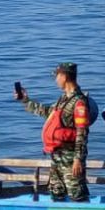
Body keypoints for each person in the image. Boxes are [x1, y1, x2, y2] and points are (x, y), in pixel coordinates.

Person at [18, 62, 90, 202]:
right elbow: (47, 112)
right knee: (56, 193)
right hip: (57, 157)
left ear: (64, 76)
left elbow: (82, 132)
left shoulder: (79, 102)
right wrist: (25, 100)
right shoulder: (63, 100)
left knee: (77, 194)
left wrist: (78, 159)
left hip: (70, 159)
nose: (56, 80)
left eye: (57, 76)